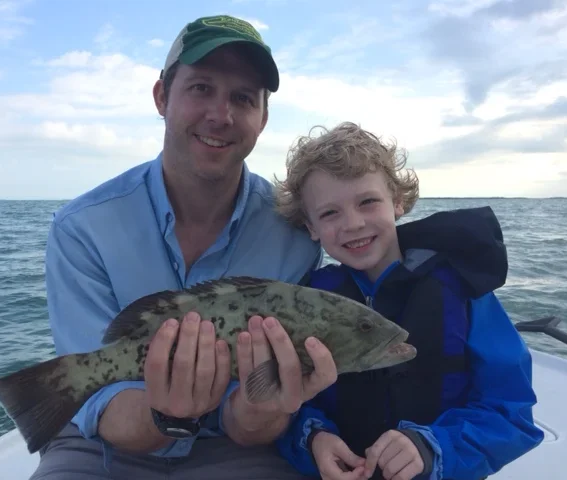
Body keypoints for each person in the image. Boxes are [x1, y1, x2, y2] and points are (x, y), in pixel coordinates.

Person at [30, 15, 339, 480]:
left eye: (242, 98)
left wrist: (260, 411)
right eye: (201, 89)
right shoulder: (82, 228)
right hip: (106, 447)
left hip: (234, 447)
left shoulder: (294, 234)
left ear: (263, 118)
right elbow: (96, 400)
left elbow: (253, 415)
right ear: (161, 98)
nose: (221, 115)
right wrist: (166, 416)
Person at [272, 122, 544, 480]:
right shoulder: (307, 299)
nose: (353, 223)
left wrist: (433, 447)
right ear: (310, 227)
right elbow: (283, 400)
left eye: (367, 202)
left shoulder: (464, 292)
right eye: (329, 213)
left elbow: (512, 413)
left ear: (397, 202)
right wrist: (313, 439)